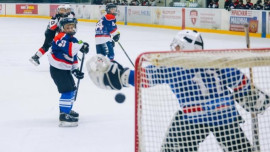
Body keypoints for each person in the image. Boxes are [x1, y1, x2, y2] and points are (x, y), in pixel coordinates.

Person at [86, 30, 270, 151]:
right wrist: (254, 98)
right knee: (239, 147)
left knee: (174, 147)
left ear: (187, 47)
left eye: (177, 46)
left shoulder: (173, 66)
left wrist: (119, 76)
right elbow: (240, 83)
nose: (173, 49)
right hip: (225, 115)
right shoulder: (215, 60)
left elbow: (144, 77)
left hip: (194, 118)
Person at [48, 17, 89, 127]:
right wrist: (82, 45)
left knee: (72, 90)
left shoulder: (73, 39)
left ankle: (67, 110)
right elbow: (70, 49)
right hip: (58, 69)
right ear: (62, 28)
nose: (71, 29)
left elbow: (73, 56)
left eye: (72, 26)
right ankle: (64, 115)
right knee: (67, 91)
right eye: (67, 27)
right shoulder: (60, 37)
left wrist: (75, 69)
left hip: (64, 69)